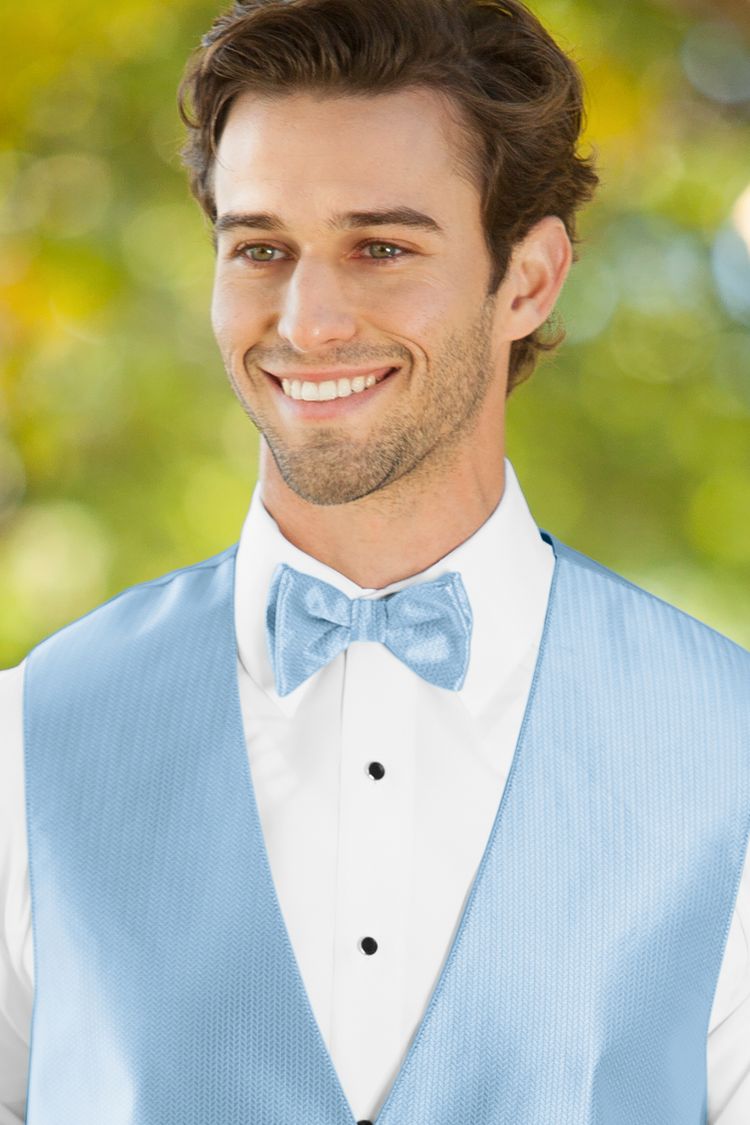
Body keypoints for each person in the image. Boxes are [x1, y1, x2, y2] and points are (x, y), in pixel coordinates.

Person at [1, 0, 748, 1120]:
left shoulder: (727, 750)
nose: (307, 320)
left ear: (531, 280)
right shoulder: (26, 744)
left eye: (381, 247)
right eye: (261, 249)